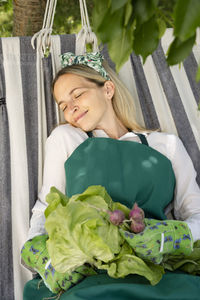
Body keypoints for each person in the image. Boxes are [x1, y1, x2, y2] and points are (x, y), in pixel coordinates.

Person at [22, 52, 200, 300]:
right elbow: (46, 208)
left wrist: (168, 237)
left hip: (158, 274)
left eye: (77, 94)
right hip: (89, 279)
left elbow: (196, 214)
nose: (70, 107)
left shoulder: (167, 146)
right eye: (62, 105)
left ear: (107, 89)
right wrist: (40, 255)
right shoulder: (66, 139)